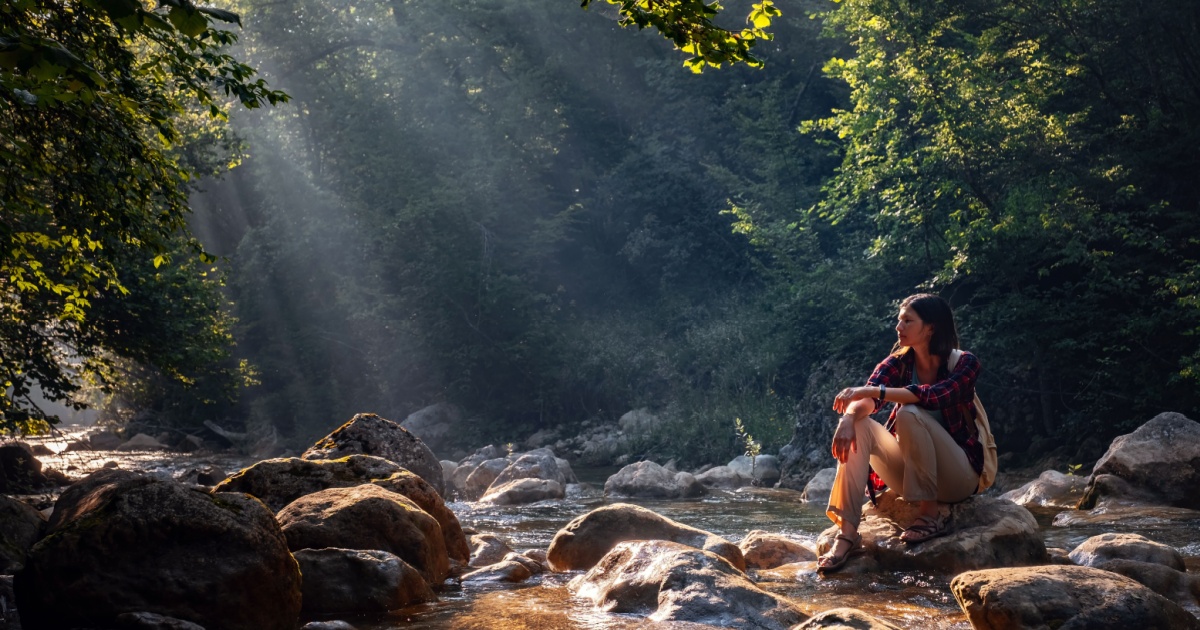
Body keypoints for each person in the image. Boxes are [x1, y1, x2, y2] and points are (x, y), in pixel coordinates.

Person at [816, 293, 984, 573]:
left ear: (930, 328)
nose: (899, 327)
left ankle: (929, 515)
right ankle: (848, 534)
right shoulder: (898, 363)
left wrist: (871, 391)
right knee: (860, 423)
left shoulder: (965, 363)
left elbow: (934, 396)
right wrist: (847, 417)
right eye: (899, 320)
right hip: (913, 478)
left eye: (908, 321)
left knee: (909, 412)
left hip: (958, 477)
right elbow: (869, 401)